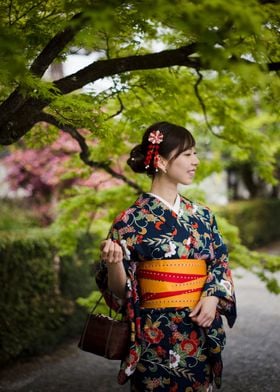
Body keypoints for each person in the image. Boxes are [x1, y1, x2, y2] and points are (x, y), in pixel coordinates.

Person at [97, 121, 236, 392]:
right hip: (153, 336)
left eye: (195, 153)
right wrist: (115, 263)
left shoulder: (203, 216)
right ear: (160, 161)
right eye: (187, 154)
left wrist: (212, 297)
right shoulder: (129, 220)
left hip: (198, 330)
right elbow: (120, 292)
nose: (195, 161)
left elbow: (220, 262)